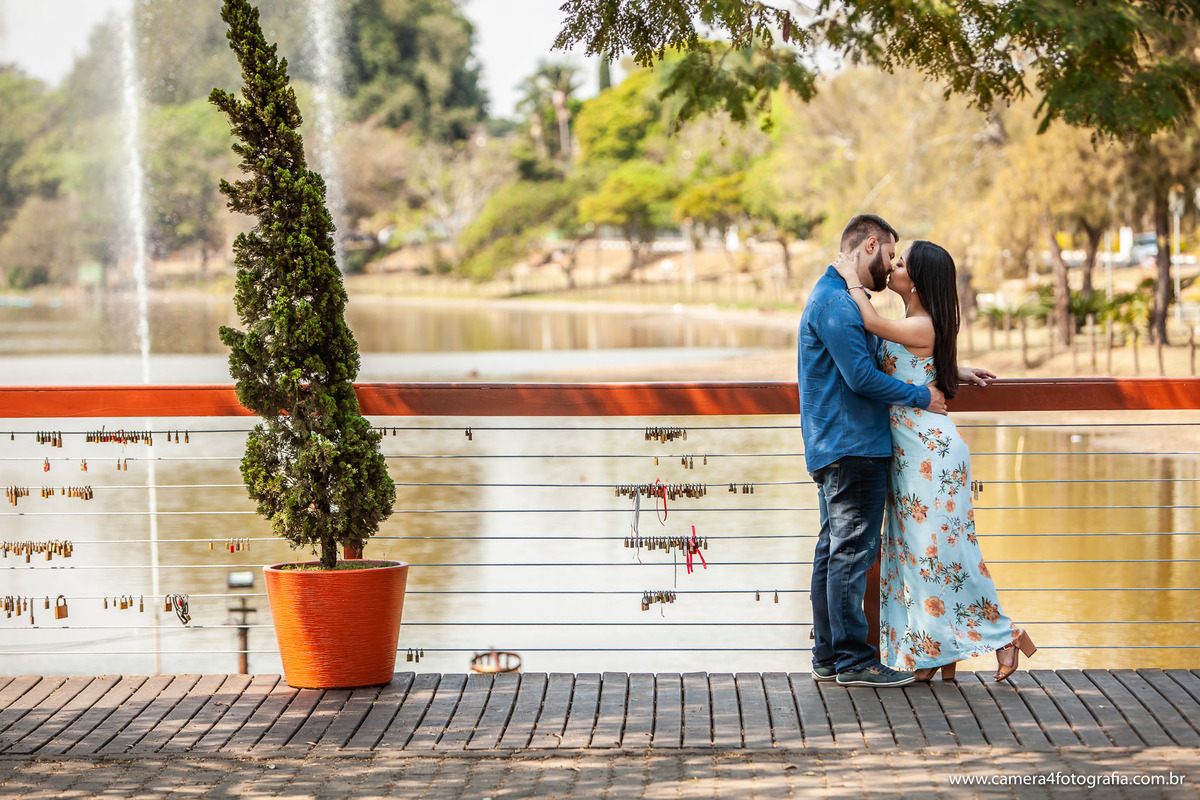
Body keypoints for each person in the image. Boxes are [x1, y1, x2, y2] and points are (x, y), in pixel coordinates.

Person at [834, 239, 1036, 682]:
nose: (892, 266)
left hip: (931, 454)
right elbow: (907, 364)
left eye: (901, 262)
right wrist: (953, 370)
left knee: (941, 552)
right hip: (908, 457)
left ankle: (1005, 635)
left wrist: (851, 279)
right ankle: (934, 649)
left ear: (918, 280)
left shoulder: (921, 324)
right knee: (914, 555)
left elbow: (869, 321)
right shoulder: (917, 324)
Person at [799, 214, 947, 688]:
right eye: (889, 254)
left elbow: (886, 359)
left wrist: (946, 373)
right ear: (869, 246)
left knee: (833, 550)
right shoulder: (840, 304)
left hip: (838, 444)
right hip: (852, 447)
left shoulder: (833, 297)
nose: (890, 266)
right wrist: (925, 397)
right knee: (850, 554)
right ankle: (853, 662)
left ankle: (828, 655)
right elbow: (860, 378)